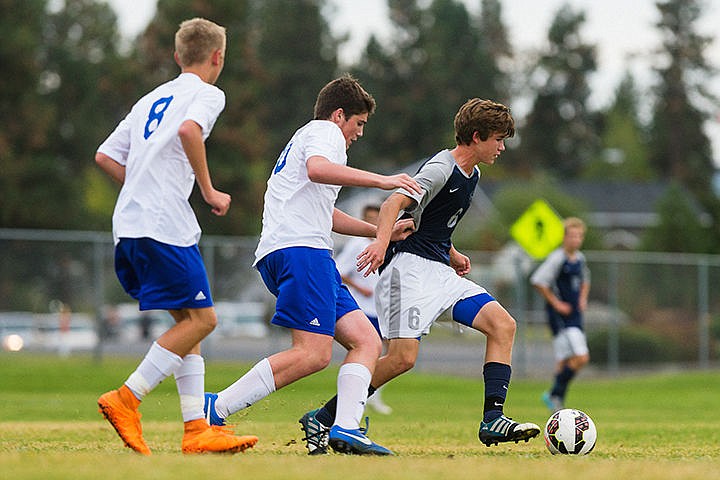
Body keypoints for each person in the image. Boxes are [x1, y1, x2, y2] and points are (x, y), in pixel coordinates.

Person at [299, 98, 541, 453]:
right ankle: (323, 418)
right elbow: (392, 204)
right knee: (401, 360)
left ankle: (493, 419)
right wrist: (381, 244)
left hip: (439, 273)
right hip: (406, 273)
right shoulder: (440, 169)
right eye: (498, 139)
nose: (502, 147)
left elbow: (432, 223)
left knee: (502, 325)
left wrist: (453, 252)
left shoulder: (473, 173)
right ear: (477, 137)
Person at [202, 75, 420, 456]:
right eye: (359, 124)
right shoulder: (324, 132)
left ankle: (346, 429)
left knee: (366, 341)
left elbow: (326, 211)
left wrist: (377, 231)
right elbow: (319, 169)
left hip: (303, 250)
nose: (359, 134)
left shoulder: (309, 138)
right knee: (314, 353)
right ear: (339, 116)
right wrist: (383, 182)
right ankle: (215, 409)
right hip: (301, 251)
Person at [94, 17, 258, 456]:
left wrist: (140, 186)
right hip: (164, 225)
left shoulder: (150, 98)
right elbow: (189, 131)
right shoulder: (208, 93)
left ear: (176, 55)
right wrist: (208, 191)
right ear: (218, 56)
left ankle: (196, 429)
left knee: (190, 324)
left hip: (129, 226)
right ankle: (126, 398)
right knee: (205, 320)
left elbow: (105, 155)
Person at [334, 204, 392, 415]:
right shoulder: (356, 244)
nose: (374, 222)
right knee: (365, 349)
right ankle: (356, 395)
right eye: (369, 218)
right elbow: (339, 271)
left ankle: (373, 394)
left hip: (382, 309)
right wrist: (360, 287)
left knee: (390, 353)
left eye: (377, 218)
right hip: (362, 308)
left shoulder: (386, 243)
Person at [530, 217, 591, 412]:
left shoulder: (580, 259)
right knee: (581, 357)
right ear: (564, 237)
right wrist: (556, 303)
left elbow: (585, 280)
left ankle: (556, 400)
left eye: (579, 236)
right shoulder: (557, 258)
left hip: (575, 316)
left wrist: (582, 298)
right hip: (560, 318)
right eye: (572, 236)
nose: (576, 240)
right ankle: (554, 394)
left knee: (564, 361)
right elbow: (538, 280)